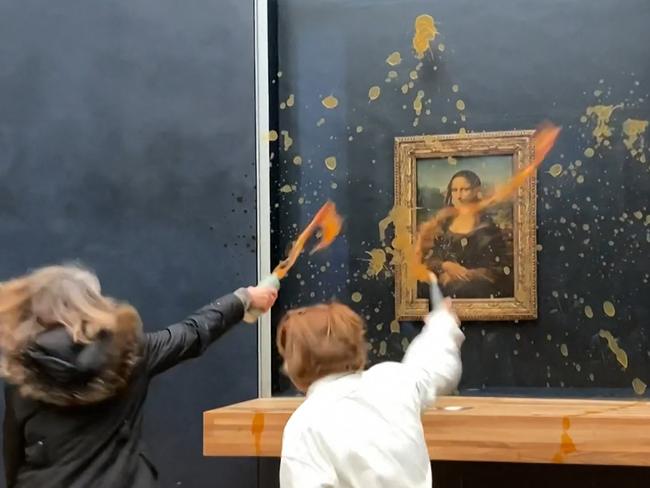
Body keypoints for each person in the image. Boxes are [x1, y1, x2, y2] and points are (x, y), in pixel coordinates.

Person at [0, 264, 277, 487]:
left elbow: (13, 454)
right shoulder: (131, 352)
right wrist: (244, 299)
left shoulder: (20, 370)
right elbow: (193, 332)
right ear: (91, 305)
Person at [277, 296, 464, 488]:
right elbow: (433, 365)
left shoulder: (304, 425)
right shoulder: (393, 383)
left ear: (295, 364)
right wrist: (443, 323)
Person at [420, 170, 513, 298]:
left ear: (476, 191)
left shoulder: (488, 228)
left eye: (464, 189)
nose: (458, 196)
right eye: (454, 190)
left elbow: (500, 268)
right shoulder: (443, 224)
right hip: (442, 288)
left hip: (476, 290)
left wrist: (469, 274)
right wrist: (445, 266)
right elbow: (429, 258)